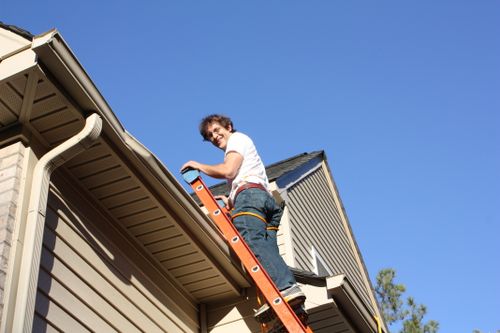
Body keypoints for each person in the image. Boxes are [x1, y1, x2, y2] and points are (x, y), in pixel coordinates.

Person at [181, 114, 305, 318]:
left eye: (216, 130)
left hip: (251, 198)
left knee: (252, 242)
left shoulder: (237, 140)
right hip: (264, 202)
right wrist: (230, 199)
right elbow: (244, 177)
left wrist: (198, 165)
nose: (214, 136)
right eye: (210, 135)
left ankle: (287, 289)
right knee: (267, 252)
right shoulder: (243, 148)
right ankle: (294, 308)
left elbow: (229, 171)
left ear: (228, 126)